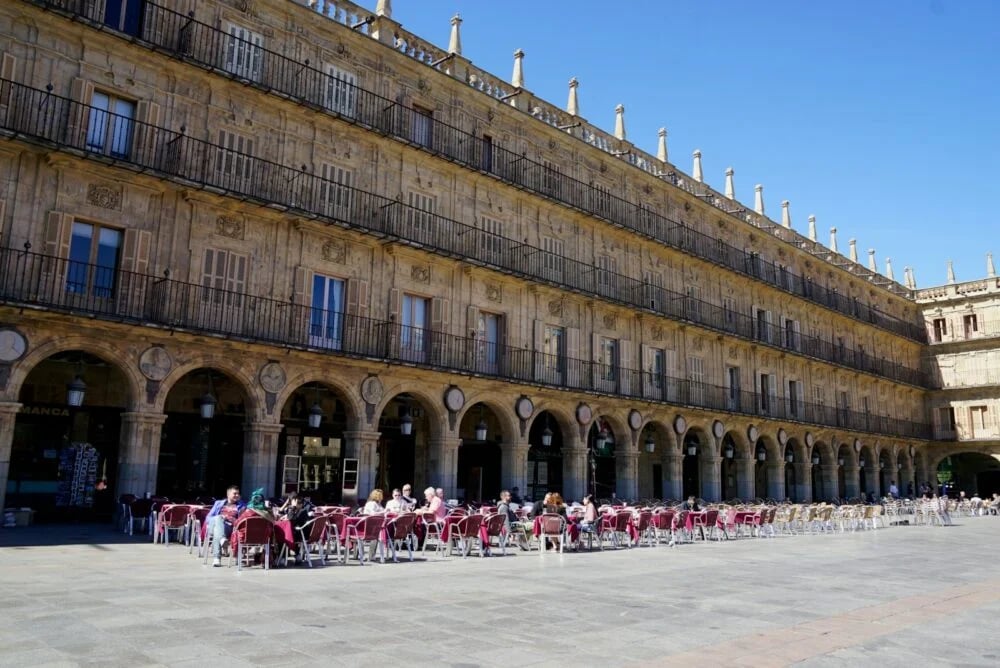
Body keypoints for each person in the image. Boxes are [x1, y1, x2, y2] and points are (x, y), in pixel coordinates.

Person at [206, 485, 246, 567]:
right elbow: (208, 518)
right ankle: (222, 539)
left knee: (218, 532)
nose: (237, 495)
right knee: (218, 519)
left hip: (231, 527)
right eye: (234, 493)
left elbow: (242, 519)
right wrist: (221, 518)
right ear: (228, 494)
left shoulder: (241, 505)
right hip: (216, 525)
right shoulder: (218, 503)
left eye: (238, 494)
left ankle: (217, 558)